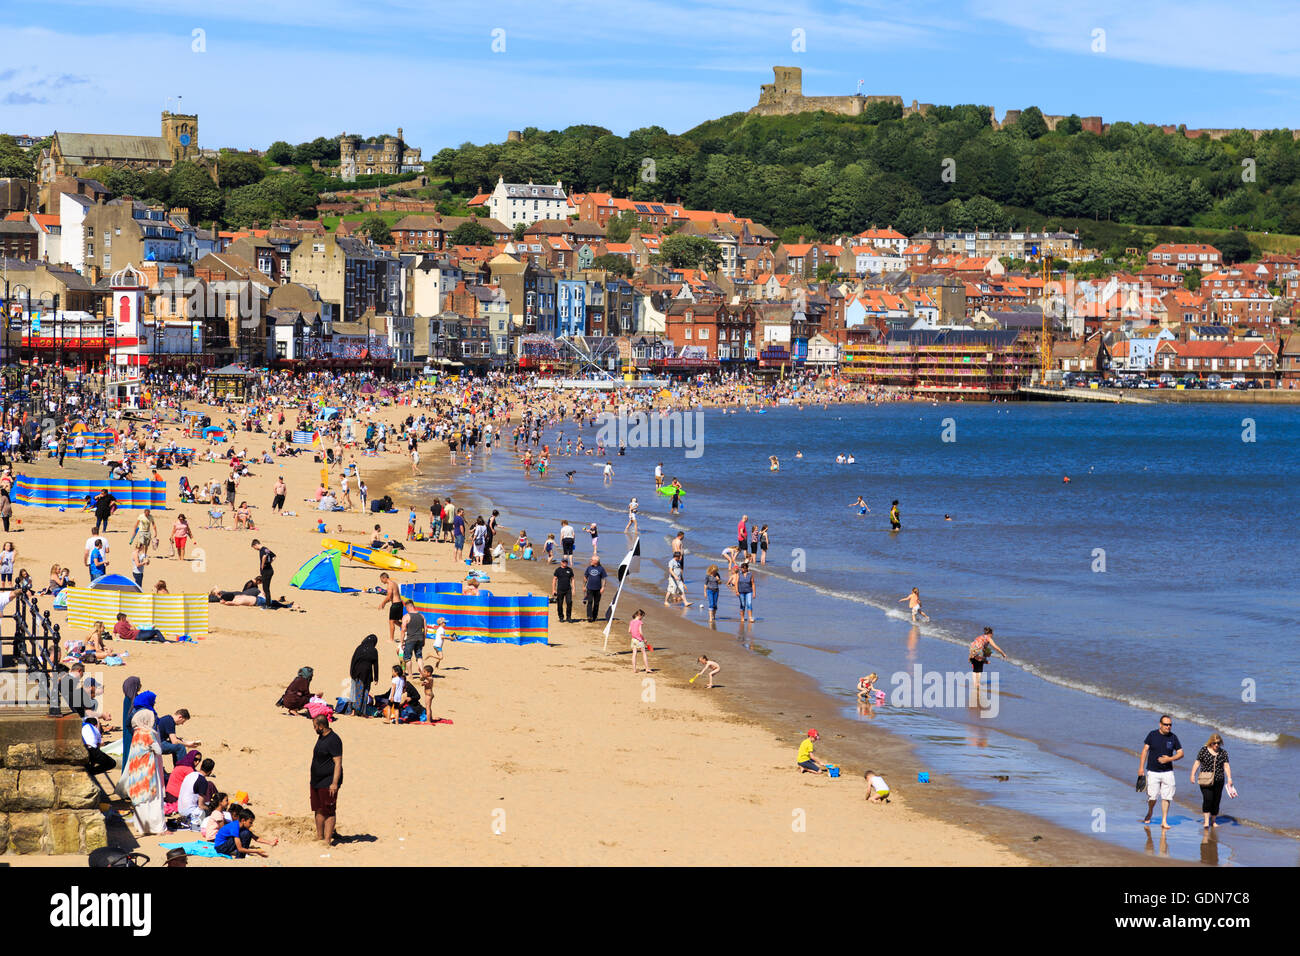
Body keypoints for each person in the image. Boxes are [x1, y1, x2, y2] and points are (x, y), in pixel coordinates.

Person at [121, 708, 166, 836]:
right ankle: (157, 828)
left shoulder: (136, 733)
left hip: (136, 771)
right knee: (153, 798)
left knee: (141, 799)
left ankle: (142, 827)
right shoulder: (148, 733)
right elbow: (158, 751)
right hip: (148, 769)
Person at [1140, 715, 1184, 830]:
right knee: (1152, 797)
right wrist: (1141, 768)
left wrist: (1169, 759)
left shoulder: (1173, 737)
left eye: (1170, 725)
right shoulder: (1152, 735)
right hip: (1153, 771)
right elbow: (1145, 751)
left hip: (1167, 772)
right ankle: (1150, 811)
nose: (1168, 727)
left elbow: (1180, 753)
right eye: (1166, 724)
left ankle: (1164, 820)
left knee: (1167, 797)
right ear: (1160, 724)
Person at [1190, 733, 1235, 829]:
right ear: (1210, 742)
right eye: (1214, 743)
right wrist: (1192, 774)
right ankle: (1206, 821)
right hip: (1205, 780)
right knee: (1208, 799)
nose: (1216, 745)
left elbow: (1226, 766)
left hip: (1219, 780)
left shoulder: (1223, 753)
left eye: (1218, 743)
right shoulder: (1203, 750)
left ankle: (1213, 821)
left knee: (1216, 801)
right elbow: (1197, 762)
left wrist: (1229, 778)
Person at [310, 713, 343, 845]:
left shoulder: (334, 740)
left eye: (315, 726)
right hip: (316, 781)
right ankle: (319, 836)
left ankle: (328, 840)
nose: (314, 729)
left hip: (328, 781)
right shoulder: (321, 737)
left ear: (321, 726)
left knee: (329, 811)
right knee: (317, 808)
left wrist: (334, 783)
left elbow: (338, 763)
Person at [177, 758, 215, 830]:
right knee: (212, 812)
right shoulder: (202, 781)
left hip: (180, 809)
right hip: (189, 812)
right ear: (211, 770)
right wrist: (211, 809)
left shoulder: (191, 774)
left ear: (201, 766)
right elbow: (201, 805)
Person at [349, 634, 380, 717]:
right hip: (367, 674)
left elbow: (353, 660)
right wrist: (376, 678)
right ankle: (362, 711)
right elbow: (375, 665)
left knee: (355, 691)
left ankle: (353, 711)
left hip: (356, 673)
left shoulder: (359, 648)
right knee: (365, 691)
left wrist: (351, 673)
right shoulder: (374, 650)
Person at [401, 598, 427, 670]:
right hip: (420, 638)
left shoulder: (406, 617)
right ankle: (422, 672)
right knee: (419, 656)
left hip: (410, 639)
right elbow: (425, 629)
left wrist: (401, 641)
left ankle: (410, 675)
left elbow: (403, 630)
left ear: (407, 607)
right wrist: (424, 640)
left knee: (407, 657)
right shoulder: (422, 616)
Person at [378, 572, 403, 643]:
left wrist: (383, 603)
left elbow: (389, 596)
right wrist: (385, 602)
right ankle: (407, 629)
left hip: (395, 605)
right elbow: (392, 596)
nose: (381, 581)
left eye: (381, 580)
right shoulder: (394, 583)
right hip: (400, 603)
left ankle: (391, 639)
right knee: (396, 621)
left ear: (384, 578)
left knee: (391, 621)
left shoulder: (389, 585)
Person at [251, 539, 275, 608]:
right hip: (270, 570)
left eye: (254, 548)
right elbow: (274, 556)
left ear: (255, 545)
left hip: (266, 571)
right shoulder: (266, 549)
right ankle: (268, 604)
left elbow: (264, 557)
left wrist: (262, 566)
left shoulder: (262, 550)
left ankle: (268, 605)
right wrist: (269, 563)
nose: (255, 549)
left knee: (265, 588)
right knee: (266, 588)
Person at [584, 555, 607, 623]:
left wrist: (603, 587)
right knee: (590, 602)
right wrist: (584, 586)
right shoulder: (589, 568)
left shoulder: (601, 569)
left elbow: (604, 579)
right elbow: (585, 577)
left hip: (598, 589)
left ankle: (594, 616)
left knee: (596, 603)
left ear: (596, 561)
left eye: (592, 560)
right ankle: (589, 616)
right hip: (590, 588)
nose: (590, 561)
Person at [552, 556, 576, 622]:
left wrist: (574, 589)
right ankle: (561, 617)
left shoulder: (570, 570)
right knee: (559, 604)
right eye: (564, 562)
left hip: (568, 589)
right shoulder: (558, 570)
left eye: (566, 562)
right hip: (560, 589)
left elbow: (572, 579)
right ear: (561, 562)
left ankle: (569, 617)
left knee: (569, 602)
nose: (565, 563)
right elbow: (554, 580)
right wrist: (553, 589)